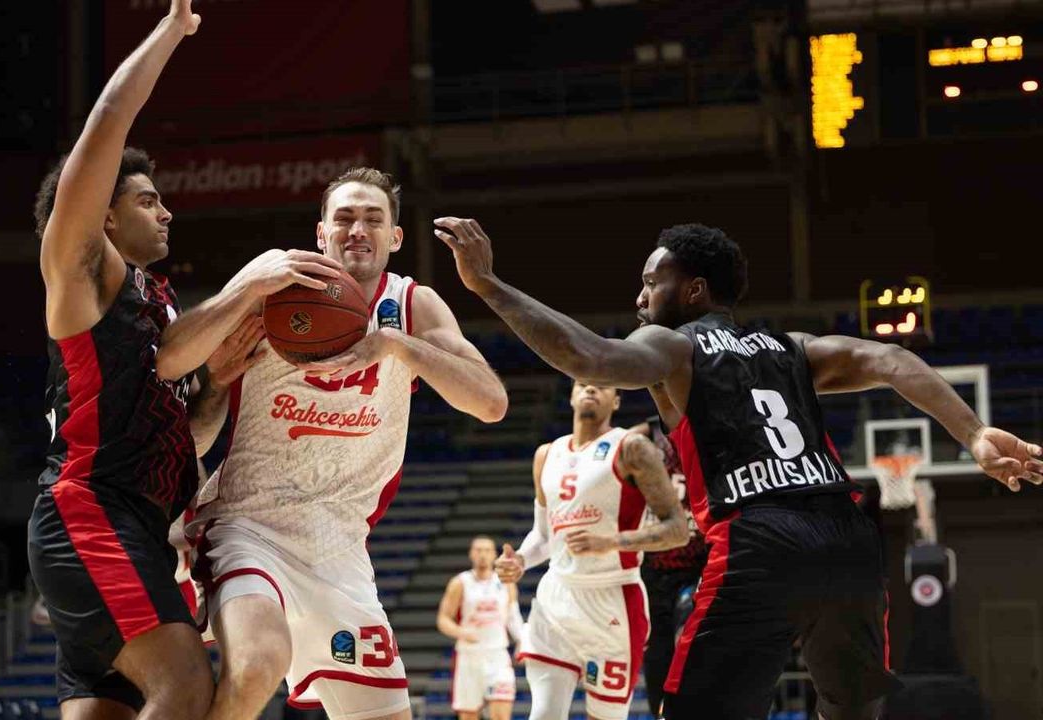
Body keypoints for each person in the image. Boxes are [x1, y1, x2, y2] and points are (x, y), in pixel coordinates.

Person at [437, 219, 1043, 719]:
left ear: (694, 291)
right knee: (851, 711)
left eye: (652, 283)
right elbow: (888, 356)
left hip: (758, 539)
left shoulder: (675, 347)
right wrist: (974, 432)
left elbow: (589, 354)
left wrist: (488, 285)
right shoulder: (792, 347)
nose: (640, 298)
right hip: (847, 537)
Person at [156, 167, 509, 720]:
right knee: (255, 666)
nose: (357, 230)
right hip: (250, 526)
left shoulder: (413, 307)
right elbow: (171, 358)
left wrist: (396, 346)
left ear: (394, 238)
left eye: (373, 219)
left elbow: (490, 403)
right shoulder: (275, 286)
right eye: (343, 218)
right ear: (320, 233)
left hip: (340, 549)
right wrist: (246, 290)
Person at [25, 2, 268, 718]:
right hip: (90, 516)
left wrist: (216, 389)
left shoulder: (155, 301)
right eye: (148, 200)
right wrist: (171, 31)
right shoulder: (80, 269)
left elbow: (172, 437)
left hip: (135, 522)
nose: (166, 213)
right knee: (187, 687)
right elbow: (106, 123)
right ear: (103, 212)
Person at [495, 382, 687, 720]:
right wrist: (521, 560)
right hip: (556, 599)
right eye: (583, 384)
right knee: (543, 714)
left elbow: (677, 530)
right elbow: (543, 536)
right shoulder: (546, 454)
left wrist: (612, 542)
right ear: (570, 396)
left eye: (602, 386)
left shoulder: (632, 447)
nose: (591, 389)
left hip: (612, 599)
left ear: (616, 400)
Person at [628, 416, 707, 717]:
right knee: (657, 646)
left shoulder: (708, 425)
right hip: (656, 558)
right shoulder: (648, 433)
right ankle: (659, 713)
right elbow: (612, 452)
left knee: (701, 640)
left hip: (702, 558)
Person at [436, 536, 523, 720]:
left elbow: (513, 616)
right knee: (468, 715)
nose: (482, 554)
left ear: (494, 555)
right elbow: (443, 619)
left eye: (487, 550)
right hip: (469, 656)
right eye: (478, 550)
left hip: (497, 654)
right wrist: (461, 632)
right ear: (471, 554)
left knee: (501, 715)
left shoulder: (506, 582)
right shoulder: (460, 582)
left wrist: (522, 641)